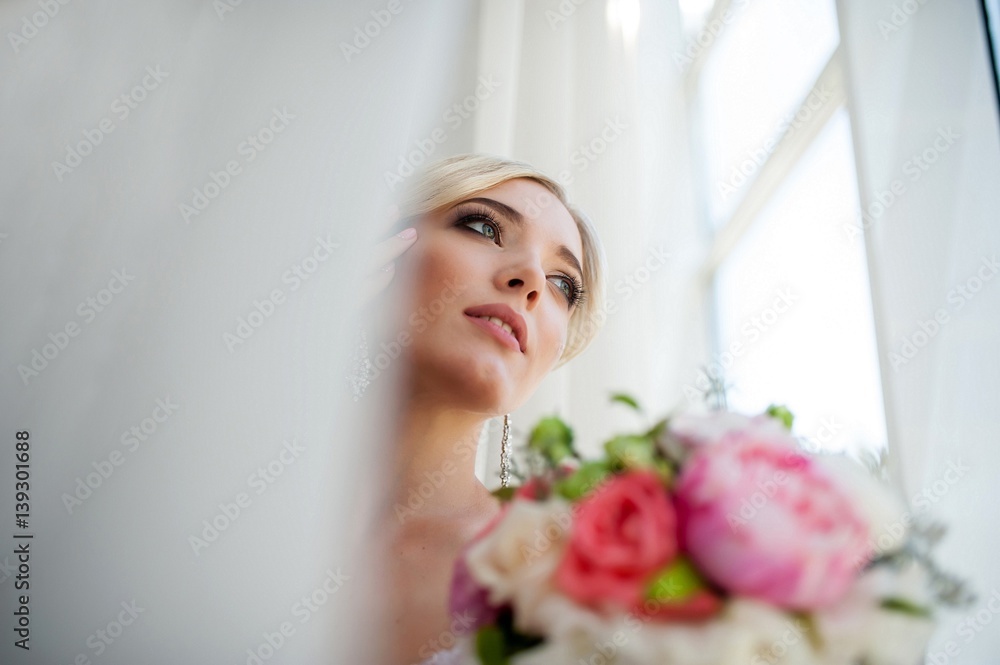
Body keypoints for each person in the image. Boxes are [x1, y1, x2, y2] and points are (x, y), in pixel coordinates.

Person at [353, 154, 607, 664]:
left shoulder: (561, 573)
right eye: (483, 226)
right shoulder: (218, 485)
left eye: (563, 285)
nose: (533, 280)